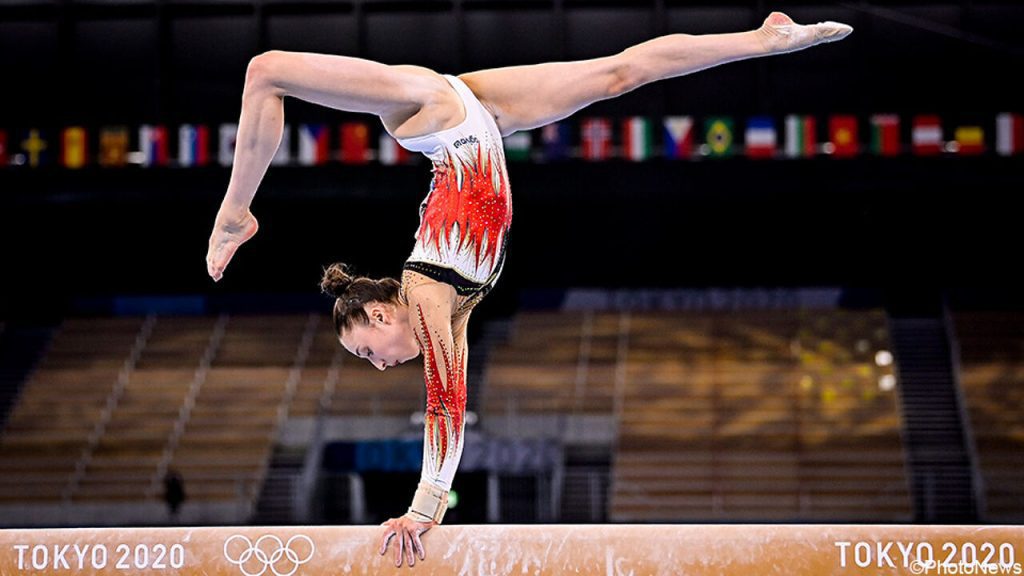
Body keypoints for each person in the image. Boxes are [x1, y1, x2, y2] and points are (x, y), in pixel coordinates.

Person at [204, 11, 851, 568]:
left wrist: (423, 510)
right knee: (620, 73)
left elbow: (443, 406)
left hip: (430, 112)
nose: (378, 364)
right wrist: (432, 503)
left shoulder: (427, 294)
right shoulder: (453, 310)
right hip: (479, 113)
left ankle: (236, 211)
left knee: (266, 69)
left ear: (380, 311)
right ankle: (763, 39)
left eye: (369, 349)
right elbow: (451, 400)